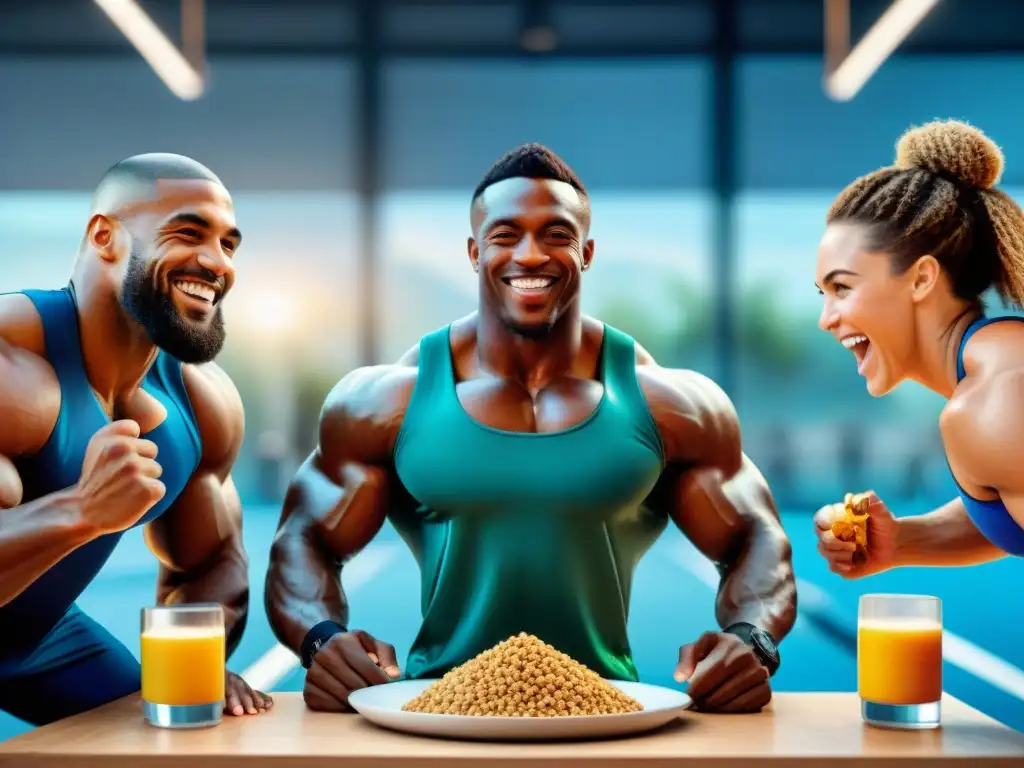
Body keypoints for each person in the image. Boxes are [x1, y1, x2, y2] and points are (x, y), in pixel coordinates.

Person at [265, 144, 797, 714]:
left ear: (586, 251)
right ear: (474, 251)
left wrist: (752, 640)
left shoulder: (670, 405)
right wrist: (321, 639)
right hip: (437, 716)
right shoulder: (384, 402)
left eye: (556, 235)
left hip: (607, 716)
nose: (531, 254)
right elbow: (305, 538)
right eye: (505, 235)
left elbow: (756, 536)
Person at [0, 153, 271, 725]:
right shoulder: (12, 366)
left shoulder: (201, 404)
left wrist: (195, 657)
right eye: (187, 233)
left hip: (39, 639)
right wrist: (80, 511)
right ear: (104, 236)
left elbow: (213, 561)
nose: (214, 261)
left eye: (229, 244)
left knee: (176, 736)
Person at [813, 119, 1024, 578]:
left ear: (922, 279)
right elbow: (1009, 494)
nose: (825, 319)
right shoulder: (994, 377)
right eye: (822, 295)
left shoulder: (996, 401)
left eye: (843, 288)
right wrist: (902, 542)